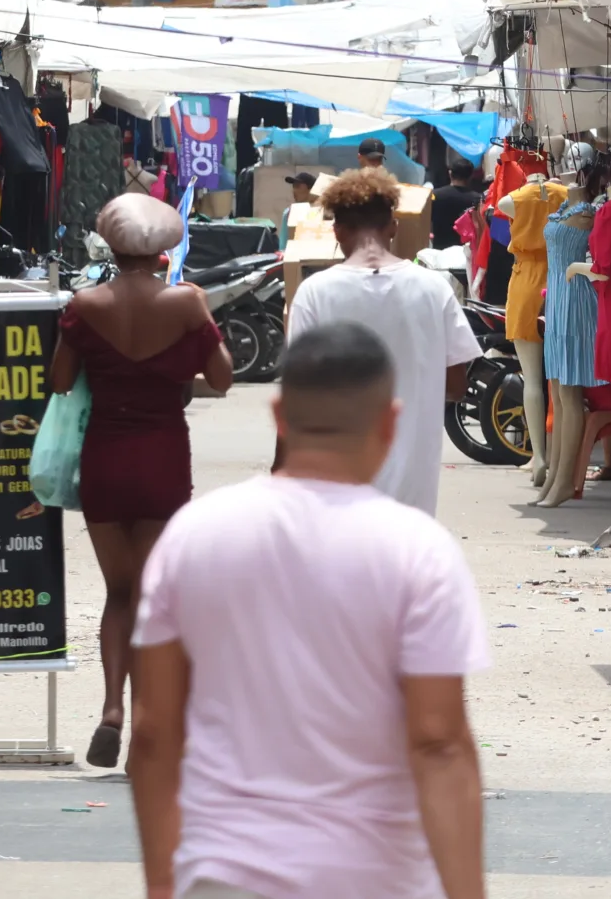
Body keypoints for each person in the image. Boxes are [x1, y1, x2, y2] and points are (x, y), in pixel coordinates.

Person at [129, 323, 487, 899]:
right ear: (390, 422)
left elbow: (151, 731)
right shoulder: (418, 551)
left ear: (278, 415)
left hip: (225, 873)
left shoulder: (193, 535)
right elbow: (439, 741)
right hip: (375, 880)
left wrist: (164, 885)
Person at [47, 193, 235, 770]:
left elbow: (59, 379)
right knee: (158, 599)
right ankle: (148, 733)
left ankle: (111, 709)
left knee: (120, 594)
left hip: (104, 455)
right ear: (162, 251)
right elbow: (224, 378)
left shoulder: (85, 303)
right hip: (161, 458)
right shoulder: (186, 301)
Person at [284, 169, 477, 514]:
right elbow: (456, 384)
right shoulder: (435, 289)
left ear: (337, 230)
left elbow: (298, 394)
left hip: (335, 487)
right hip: (413, 498)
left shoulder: (314, 293)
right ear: (394, 226)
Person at [427, 160, 480, 251]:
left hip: (440, 250)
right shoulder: (478, 199)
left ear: (450, 173)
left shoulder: (435, 195)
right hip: (466, 252)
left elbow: (427, 222)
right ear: (471, 176)